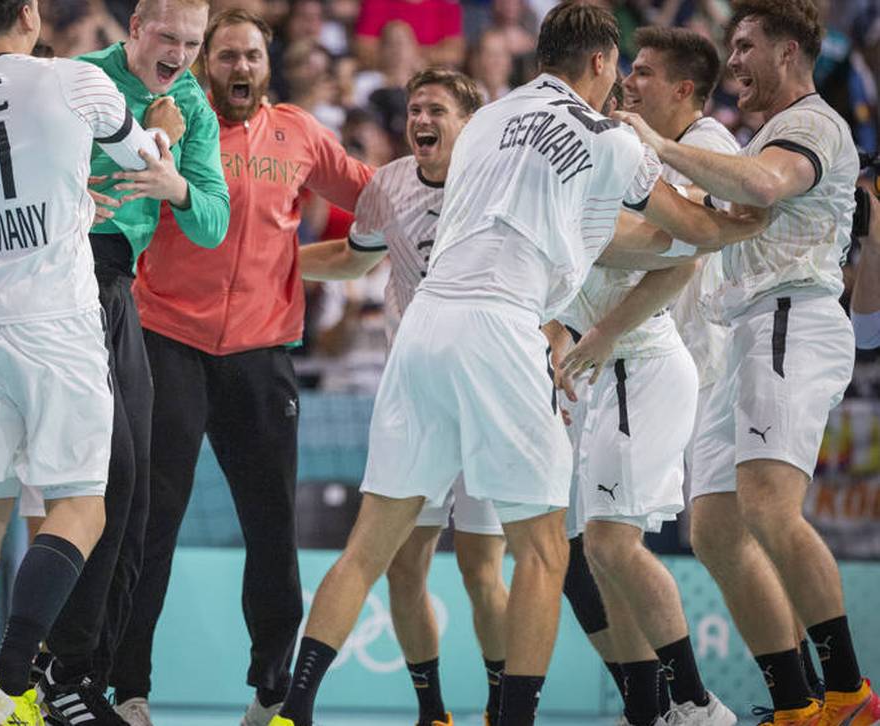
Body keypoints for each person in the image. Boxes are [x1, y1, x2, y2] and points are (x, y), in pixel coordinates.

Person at [268, 3, 770, 725]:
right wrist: (744, 219)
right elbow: (684, 226)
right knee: (542, 551)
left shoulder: (488, 125)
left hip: (423, 325)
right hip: (502, 326)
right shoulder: (608, 137)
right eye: (618, 71)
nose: (620, 87)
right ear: (600, 62)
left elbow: (593, 232)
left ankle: (296, 710)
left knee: (369, 547)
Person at [616, 0, 880, 723]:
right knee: (716, 529)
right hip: (747, 332)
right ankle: (795, 704)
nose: (731, 61)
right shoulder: (766, 134)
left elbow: (762, 186)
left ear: (789, 52)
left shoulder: (809, 124)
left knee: (767, 507)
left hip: (789, 317)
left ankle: (851, 692)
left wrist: (655, 146)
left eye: (744, 46)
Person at [108, 9, 371, 726]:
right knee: (149, 524)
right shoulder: (170, 123)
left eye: (252, 55)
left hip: (262, 356)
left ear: (268, 63)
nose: (242, 69)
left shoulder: (300, 134)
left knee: (271, 526)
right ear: (201, 63)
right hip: (167, 343)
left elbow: (376, 199)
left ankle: (271, 688)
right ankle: (128, 689)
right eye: (226, 56)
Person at [0, 0, 169, 724]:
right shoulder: (72, 80)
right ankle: (8, 682)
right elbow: (141, 161)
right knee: (83, 505)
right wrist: (164, 137)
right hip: (52, 321)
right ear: (28, 11)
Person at [35, 0, 231, 720]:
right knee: (94, 479)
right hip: (59, 268)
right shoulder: (84, 78)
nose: (179, 54)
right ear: (136, 30)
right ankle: (40, 671)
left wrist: (174, 183)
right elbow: (31, 163)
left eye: (192, 42)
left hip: (118, 285)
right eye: (168, 37)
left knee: (136, 491)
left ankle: (82, 675)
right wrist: (144, 145)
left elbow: (213, 222)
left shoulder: (194, 109)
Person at [298, 68, 505, 726]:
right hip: (416, 391)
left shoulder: (504, 182)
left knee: (480, 566)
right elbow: (357, 260)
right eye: (415, 108)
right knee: (398, 564)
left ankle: (506, 710)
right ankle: (432, 713)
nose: (421, 118)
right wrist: (270, 261)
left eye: (437, 108)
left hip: (490, 394)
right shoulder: (387, 187)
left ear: (470, 123)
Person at [551, 26, 742, 726]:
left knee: (610, 544)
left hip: (652, 362)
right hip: (608, 372)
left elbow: (684, 249)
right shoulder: (589, 163)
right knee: (595, 557)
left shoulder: (652, 155)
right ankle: (648, 707)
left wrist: (597, 330)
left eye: (643, 71)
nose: (628, 82)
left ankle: (695, 701)